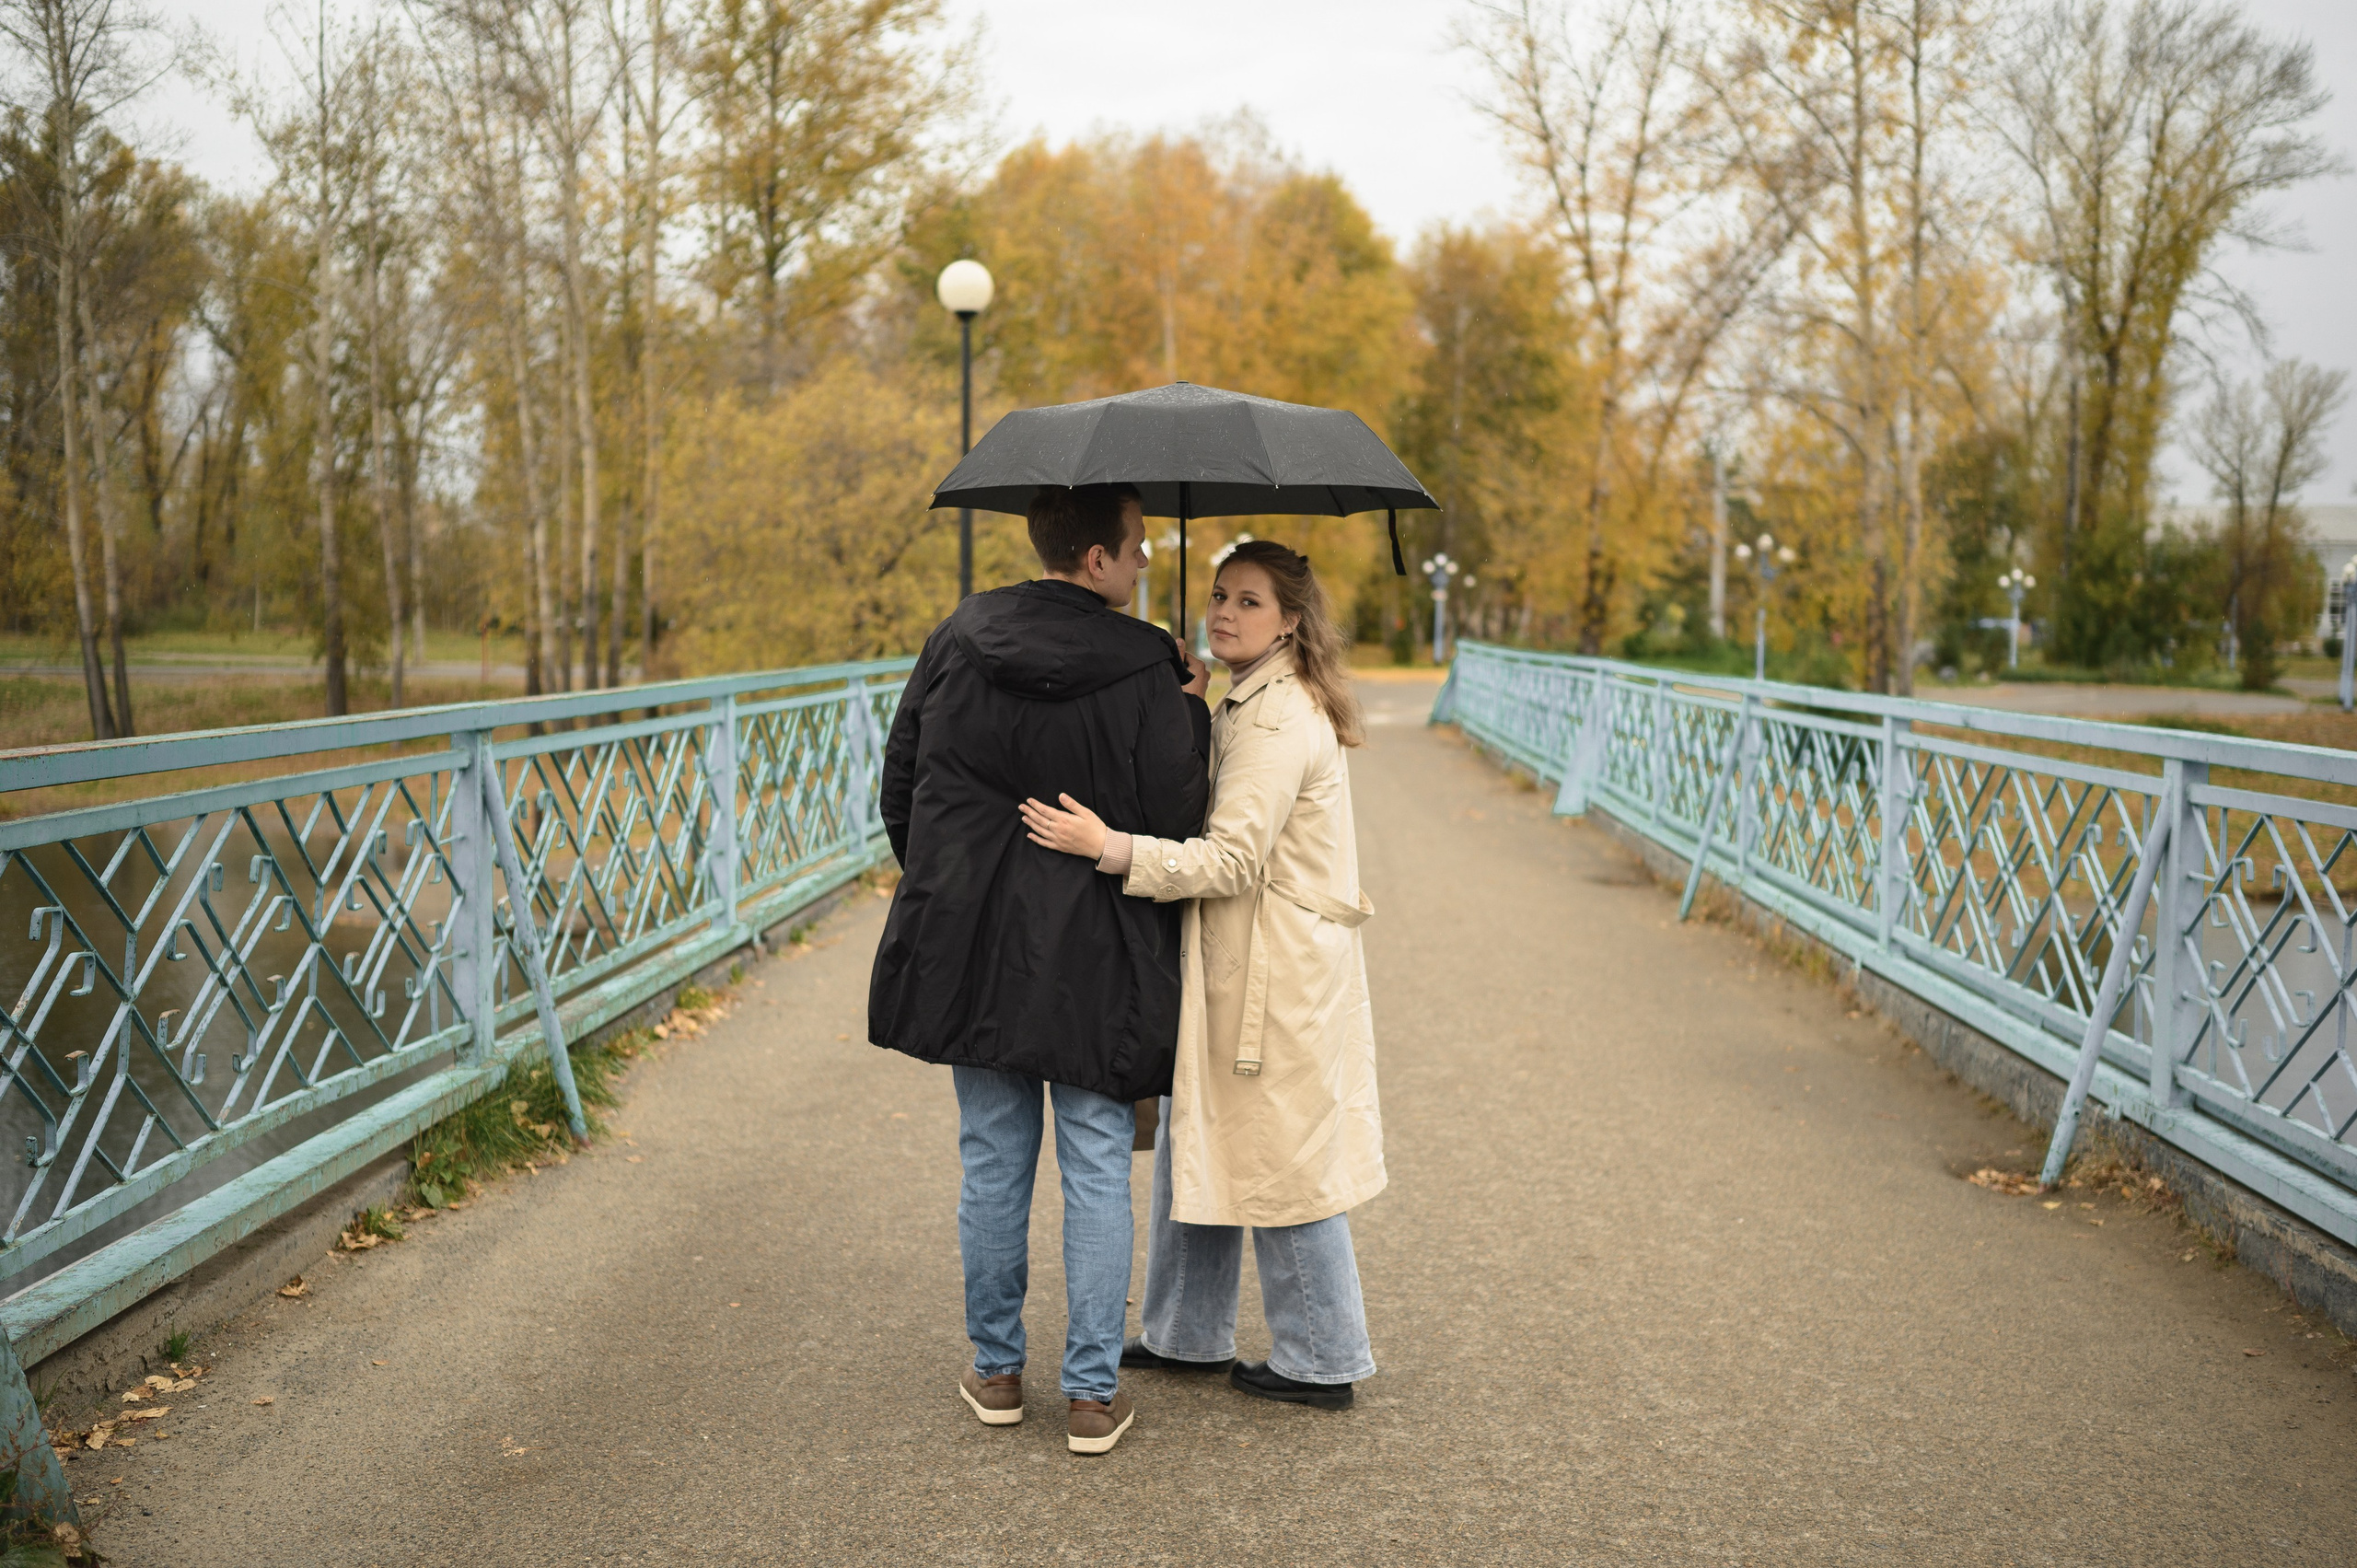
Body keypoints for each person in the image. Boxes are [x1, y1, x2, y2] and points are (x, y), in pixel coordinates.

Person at [869, 482, 1210, 1457]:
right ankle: (1092, 1394)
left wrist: (953, 883)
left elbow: (903, 781)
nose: (1145, 561)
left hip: (971, 938)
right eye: (1137, 547)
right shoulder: (1147, 662)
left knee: (991, 1153)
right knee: (1099, 1159)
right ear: (1096, 559)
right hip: (1096, 947)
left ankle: (997, 1368)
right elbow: (1177, 817)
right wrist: (1187, 713)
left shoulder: (959, 634)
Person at [1019, 540, 1382, 1411]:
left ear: (1291, 619)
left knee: (1282, 1153)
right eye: (1220, 596)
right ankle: (1185, 1329)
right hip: (1241, 953)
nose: (1225, 612)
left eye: (1250, 602)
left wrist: (1107, 847)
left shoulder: (1278, 716)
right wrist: (1189, 706)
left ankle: (1325, 1355)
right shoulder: (1246, 699)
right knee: (1203, 1131)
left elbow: (1229, 858)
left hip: (1274, 965)